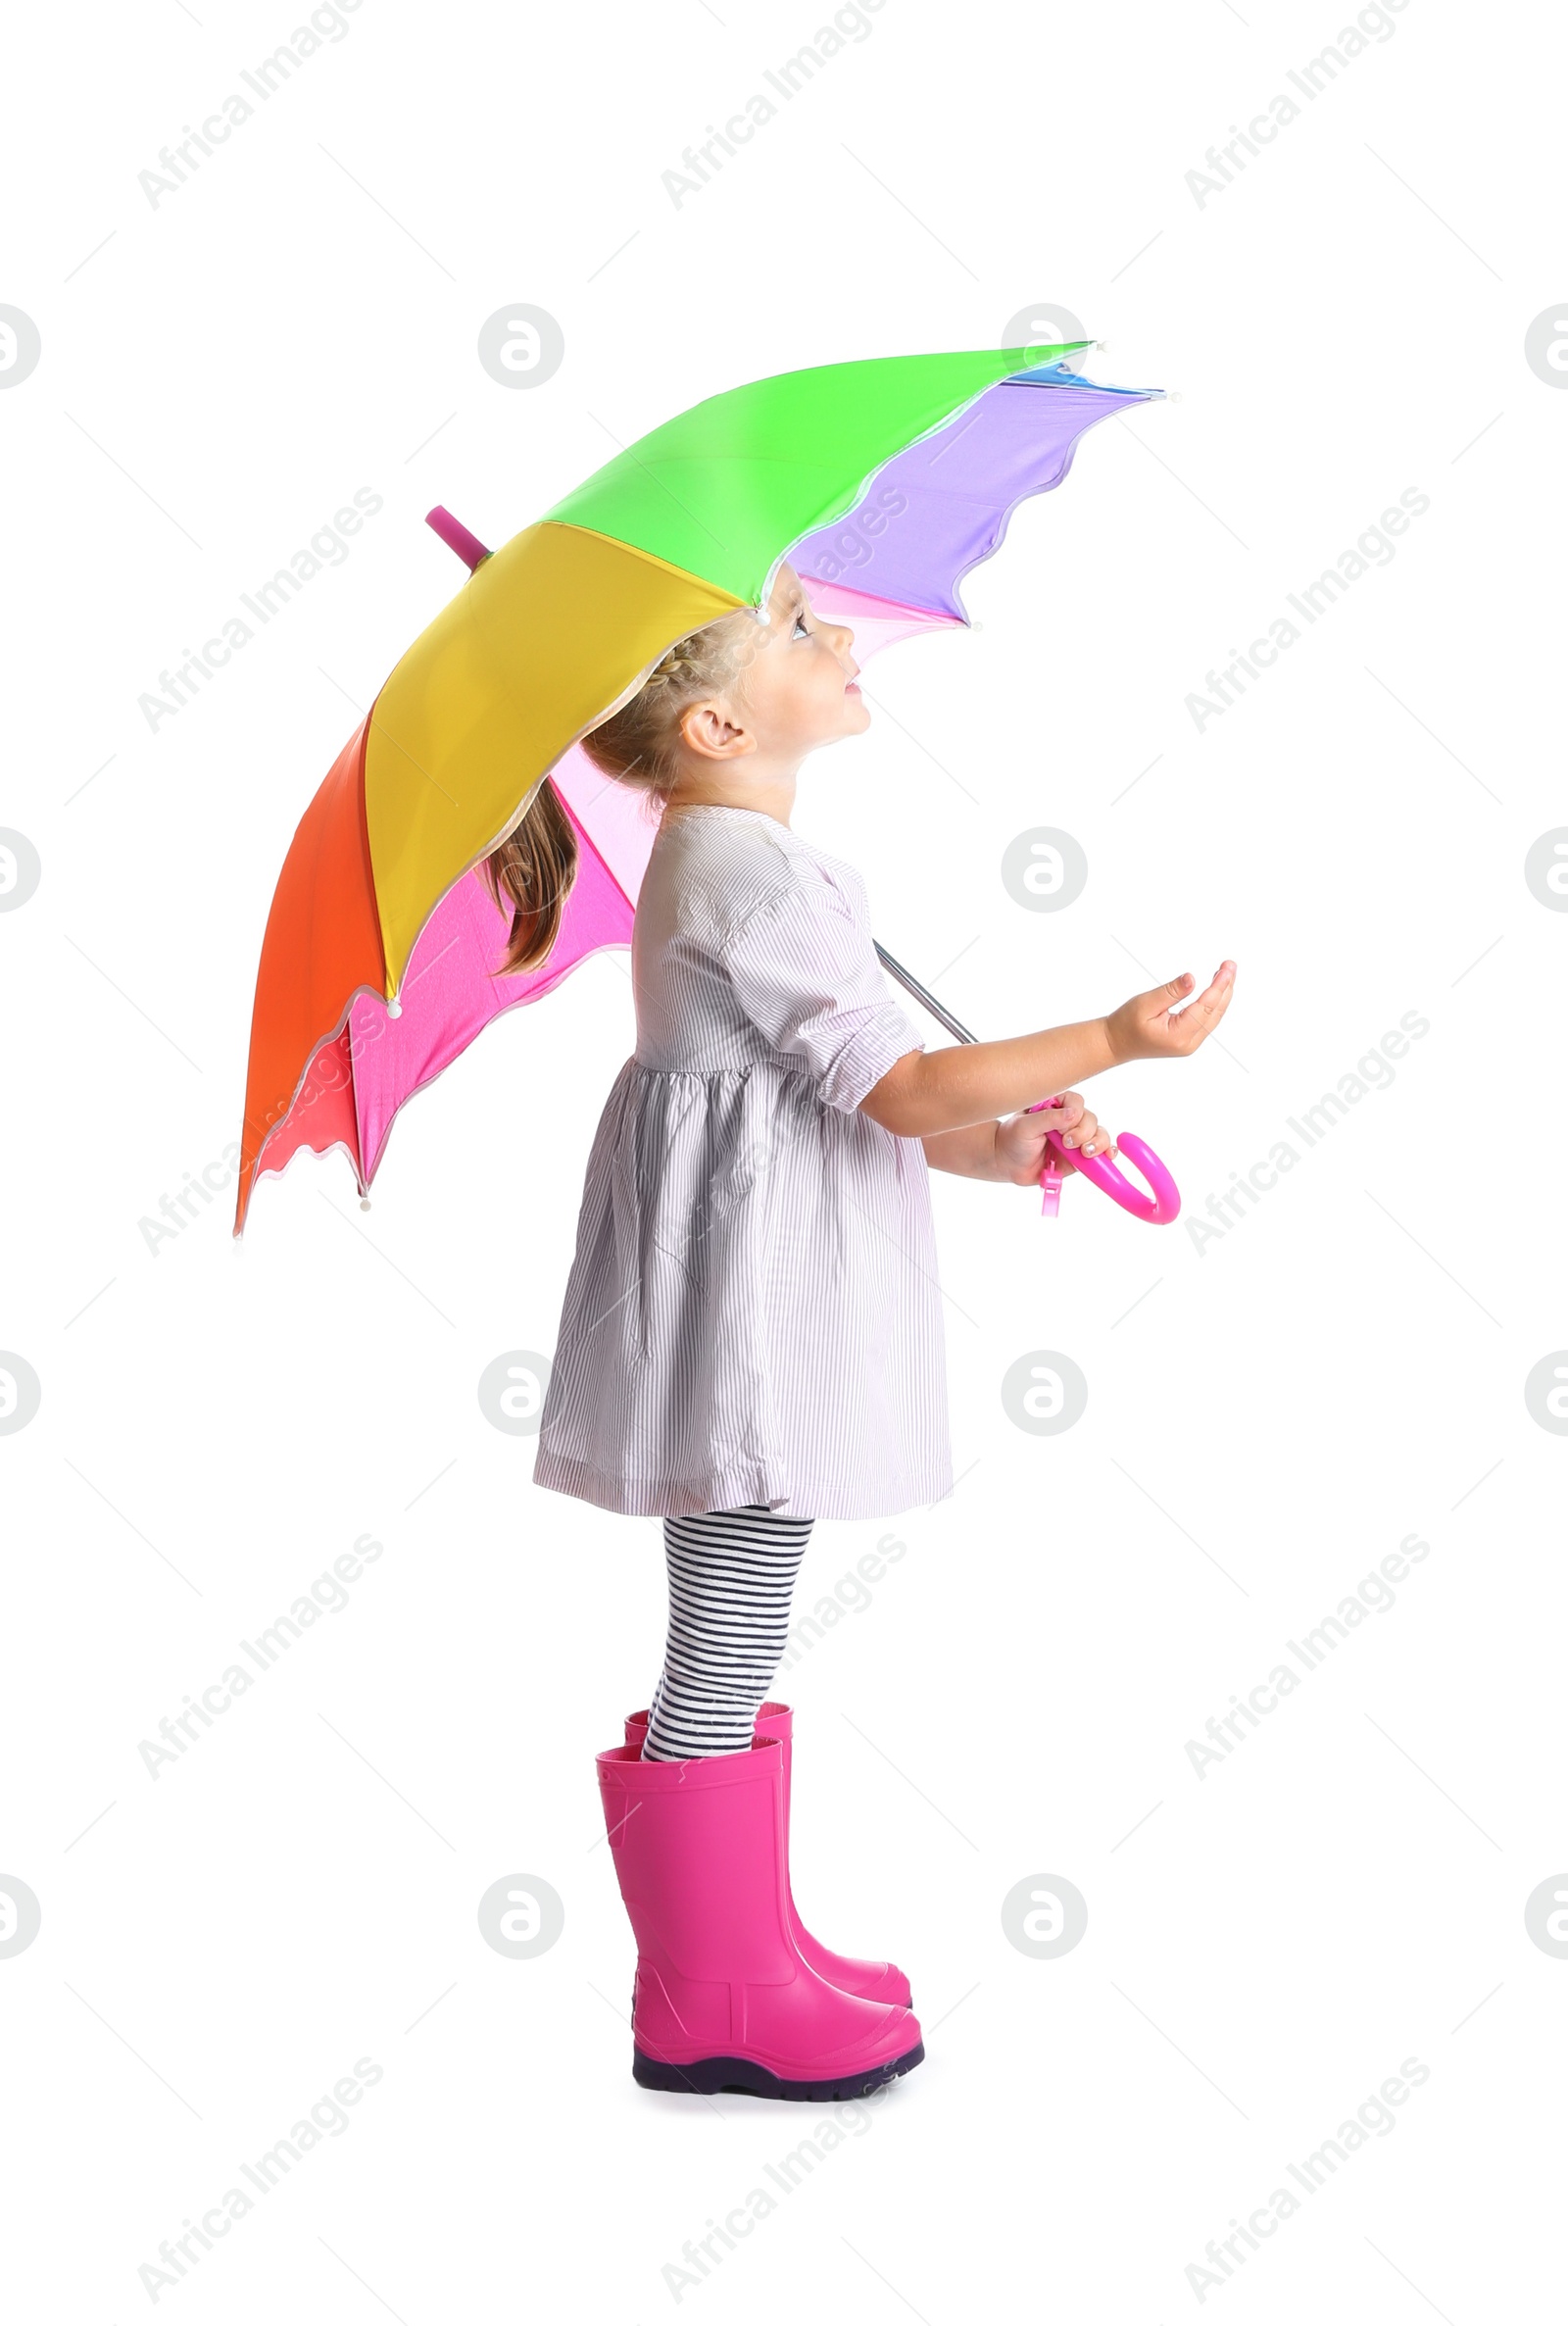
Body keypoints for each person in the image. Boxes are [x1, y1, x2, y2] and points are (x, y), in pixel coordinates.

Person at [484, 563, 1236, 2101]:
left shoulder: (764, 862)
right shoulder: (743, 876)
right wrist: (1106, 1039)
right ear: (712, 723)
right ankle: (708, 1996)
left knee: (740, 1619)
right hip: (755, 1307)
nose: (835, 637)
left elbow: (867, 1112)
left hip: (768, 1275)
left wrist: (1012, 1143)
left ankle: (745, 1951)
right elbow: (892, 1090)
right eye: (801, 636)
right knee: (727, 1633)